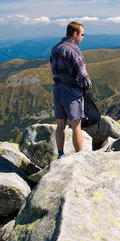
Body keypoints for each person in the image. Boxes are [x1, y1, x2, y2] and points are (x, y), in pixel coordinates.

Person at [50, 22, 92, 159]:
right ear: (75, 34)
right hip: (71, 92)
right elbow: (83, 76)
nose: (83, 37)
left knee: (60, 124)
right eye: (82, 34)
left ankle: (61, 154)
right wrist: (87, 86)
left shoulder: (55, 48)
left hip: (58, 90)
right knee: (76, 125)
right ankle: (80, 157)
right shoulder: (74, 50)